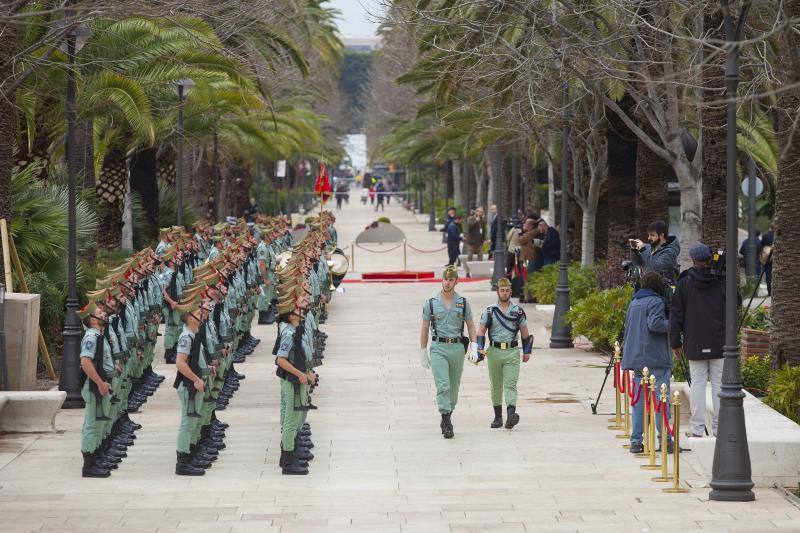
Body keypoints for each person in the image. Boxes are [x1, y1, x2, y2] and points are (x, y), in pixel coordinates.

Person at [669, 243, 730, 438]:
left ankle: (697, 430)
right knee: (719, 385)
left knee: (697, 385)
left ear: (693, 260)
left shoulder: (684, 283)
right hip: (719, 342)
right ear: (709, 258)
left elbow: (676, 315)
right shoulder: (720, 281)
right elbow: (735, 302)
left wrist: (675, 343)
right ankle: (719, 429)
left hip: (694, 342)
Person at [420, 266, 477, 439]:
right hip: (438, 347)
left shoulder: (463, 302)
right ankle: (446, 420)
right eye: (445, 279)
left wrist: (474, 346)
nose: (447, 282)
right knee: (443, 385)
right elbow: (424, 329)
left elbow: (471, 325)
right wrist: (423, 351)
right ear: (442, 280)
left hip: (457, 348)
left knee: (453, 389)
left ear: (456, 281)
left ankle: (448, 413)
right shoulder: (431, 303)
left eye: (451, 280)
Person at [622, 271, 673, 454]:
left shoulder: (634, 302)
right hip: (655, 358)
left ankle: (636, 441)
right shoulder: (656, 301)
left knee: (639, 403)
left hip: (636, 359)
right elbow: (655, 324)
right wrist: (674, 324)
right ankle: (665, 440)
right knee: (661, 401)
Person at [475, 277, 533, 429]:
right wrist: (479, 350)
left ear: (511, 291)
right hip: (494, 351)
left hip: (512, 351)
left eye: (507, 290)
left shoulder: (518, 311)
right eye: (502, 290)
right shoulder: (490, 311)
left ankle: (511, 415)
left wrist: (527, 351)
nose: (505, 293)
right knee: (496, 385)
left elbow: (525, 333)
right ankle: (498, 417)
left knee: (511, 384)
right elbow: (481, 331)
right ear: (497, 292)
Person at [760, 227, 774, 295]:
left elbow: (761, 246)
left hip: (767, 257)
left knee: (768, 274)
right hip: (776, 257)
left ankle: (769, 291)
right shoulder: (778, 235)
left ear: (770, 228)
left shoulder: (765, 236)